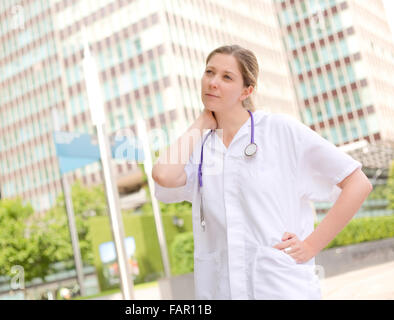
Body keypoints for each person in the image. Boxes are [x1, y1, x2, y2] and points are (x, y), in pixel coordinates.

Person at [151, 45, 373, 300]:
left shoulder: (280, 130)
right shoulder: (200, 145)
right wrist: (202, 121)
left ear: (247, 90)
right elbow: (163, 176)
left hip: (281, 287)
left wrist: (311, 245)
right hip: (224, 290)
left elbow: (358, 183)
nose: (213, 82)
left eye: (226, 77)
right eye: (209, 72)